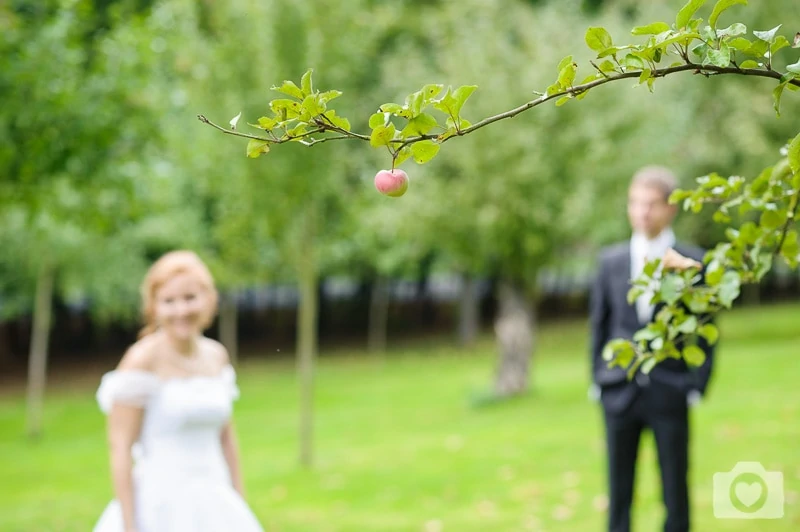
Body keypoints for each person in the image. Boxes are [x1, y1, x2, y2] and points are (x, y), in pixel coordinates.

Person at [93, 250, 263, 532]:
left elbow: (226, 437)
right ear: (154, 307)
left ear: (208, 299)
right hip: (160, 506)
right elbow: (120, 448)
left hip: (216, 500)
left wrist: (238, 499)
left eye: (189, 298)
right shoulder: (141, 360)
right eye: (169, 301)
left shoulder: (216, 356)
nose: (181, 310)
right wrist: (129, 526)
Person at [589, 166, 715, 532]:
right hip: (618, 392)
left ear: (670, 208)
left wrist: (696, 386)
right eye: (635, 203)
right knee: (619, 492)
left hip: (671, 391)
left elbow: (706, 330)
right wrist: (598, 379)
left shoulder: (693, 261)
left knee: (676, 489)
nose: (642, 212)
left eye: (651, 204)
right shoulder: (609, 261)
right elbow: (599, 325)